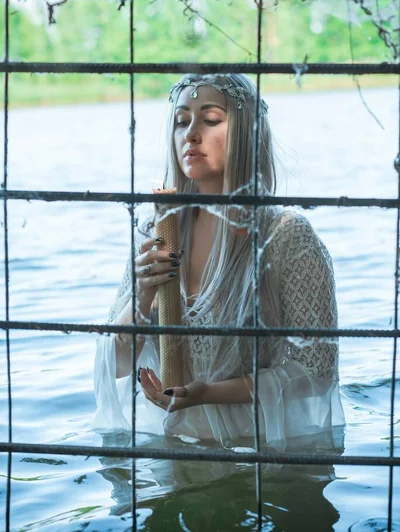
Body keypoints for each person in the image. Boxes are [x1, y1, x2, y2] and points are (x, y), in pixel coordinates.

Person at [93, 73, 345, 453]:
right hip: (172, 447)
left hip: (259, 453)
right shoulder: (158, 230)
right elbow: (115, 366)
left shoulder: (286, 237)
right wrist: (143, 296)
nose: (190, 135)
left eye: (210, 120)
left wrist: (208, 394)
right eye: (181, 121)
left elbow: (316, 370)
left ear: (246, 134)